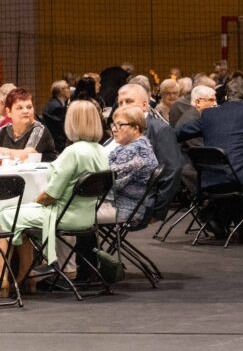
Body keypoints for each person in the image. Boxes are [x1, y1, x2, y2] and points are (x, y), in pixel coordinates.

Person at [0, 101, 109, 293]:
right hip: (87, 215)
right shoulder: (101, 150)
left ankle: (4, 281)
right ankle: (27, 277)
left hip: (62, 215)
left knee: (5, 214)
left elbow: (51, 195)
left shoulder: (72, 153)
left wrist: (34, 201)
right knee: (19, 218)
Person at [176, 77, 243, 238]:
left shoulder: (208, 114)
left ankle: (219, 218)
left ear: (226, 96)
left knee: (233, 181)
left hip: (212, 179)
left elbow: (179, 133)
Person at [117, 84, 183, 221]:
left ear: (144, 105)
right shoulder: (119, 127)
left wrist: (157, 211)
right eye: (120, 103)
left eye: (129, 101)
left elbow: (172, 171)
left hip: (138, 204)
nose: (123, 106)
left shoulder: (160, 130)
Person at [98, 105, 158, 225]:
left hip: (123, 208)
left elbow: (108, 184)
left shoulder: (135, 150)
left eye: (120, 125)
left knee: (67, 213)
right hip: (120, 204)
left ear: (135, 128)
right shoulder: (133, 145)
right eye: (113, 125)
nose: (114, 129)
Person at [176, 85, 218, 194]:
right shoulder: (192, 120)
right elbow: (201, 149)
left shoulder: (195, 116)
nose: (215, 104)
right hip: (190, 168)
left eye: (215, 100)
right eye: (211, 100)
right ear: (198, 102)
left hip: (192, 164)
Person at [0, 88, 58, 162]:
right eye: (20, 108)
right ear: (8, 112)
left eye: (29, 107)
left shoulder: (39, 129)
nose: (26, 111)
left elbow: (27, 156)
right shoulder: (3, 130)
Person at [42, 79, 71, 151]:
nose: (69, 90)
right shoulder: (57, 107)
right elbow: (61, 130)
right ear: (61, 91)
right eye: (67, 88)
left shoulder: (55, 103)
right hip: (57, 145)